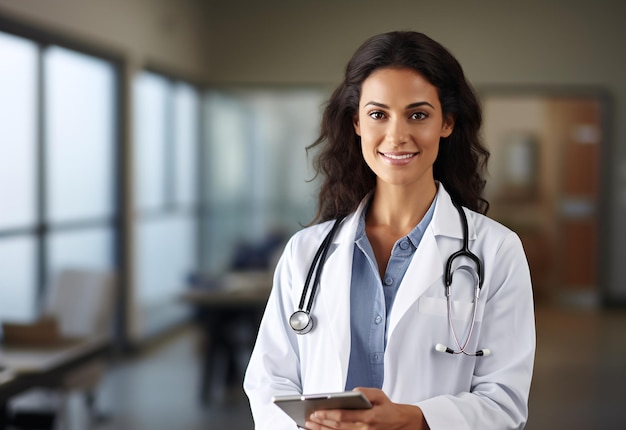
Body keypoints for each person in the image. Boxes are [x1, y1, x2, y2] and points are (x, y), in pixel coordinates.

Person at [243, 30, 535, 430]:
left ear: (447, 122)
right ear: (357, 123)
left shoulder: (496, 251)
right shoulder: (306, 252)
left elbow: (505, 403)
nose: (397, 136)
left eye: (418, 114)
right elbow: (267, 382)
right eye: (379, 114)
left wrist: (415, 419)